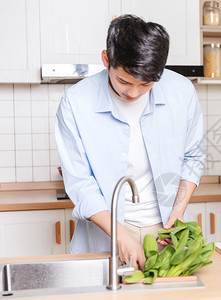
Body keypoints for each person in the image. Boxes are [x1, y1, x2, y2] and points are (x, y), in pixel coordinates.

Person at [55, 14, 205, 270]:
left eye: (145, 84)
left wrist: (177, 213)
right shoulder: (76, 103)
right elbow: (80, 182)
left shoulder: (182, 92)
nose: (133, 93)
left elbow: (193, 158)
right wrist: (120, 235)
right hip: (106, 232)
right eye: (123, 80)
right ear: (106, 60)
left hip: (166, 231)